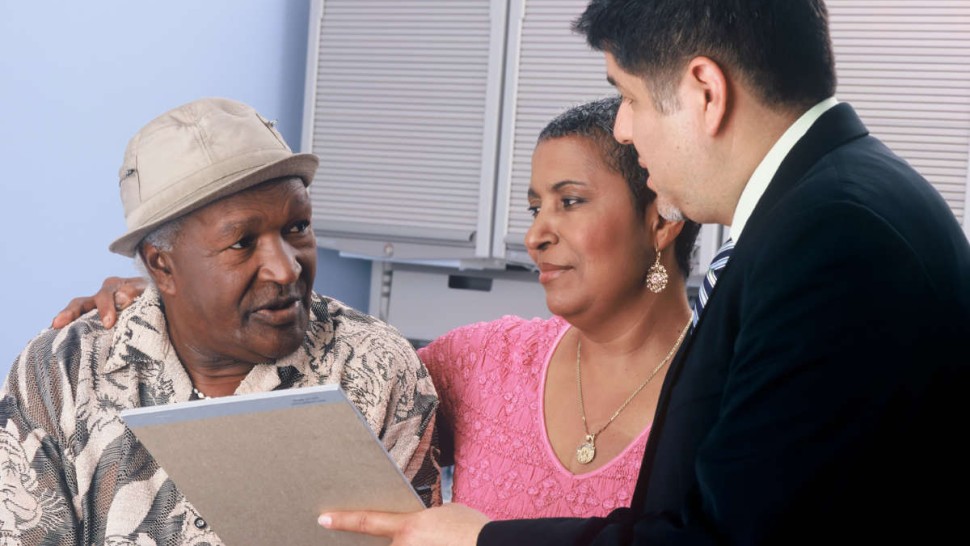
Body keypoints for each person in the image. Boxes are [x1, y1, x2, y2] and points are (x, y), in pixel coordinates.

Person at [314, 0, 970, 544]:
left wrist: (480, 539)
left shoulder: (831, 243)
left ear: (706, 92)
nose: (624, 129)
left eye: (627, 97)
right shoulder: (838, 206)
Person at [51, 96, 702, 521]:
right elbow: (339, 375)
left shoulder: (731, 393)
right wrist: (168, 301)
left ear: (662, 217)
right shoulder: (487, 363)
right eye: (535, 207)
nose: (535, 234)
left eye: (570, 201)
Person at [0, 97, 440, 544]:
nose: (286, 269)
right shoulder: (62, 372)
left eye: (297, 228)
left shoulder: (375, 366)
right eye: (243, 243)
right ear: (162, 267)